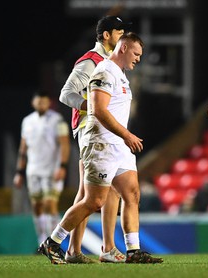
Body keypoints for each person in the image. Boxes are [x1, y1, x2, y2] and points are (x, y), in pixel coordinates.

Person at [39, 32, 163, 265]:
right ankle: (53, 242)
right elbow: (98, 109)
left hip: (119, 146)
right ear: (123, 48)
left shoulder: (121, 75)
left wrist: (124, 138)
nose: (138, 59)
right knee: (94, 201)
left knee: (132, 194)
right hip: (102, 143)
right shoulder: (105, 71)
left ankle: (133, 251)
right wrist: (127, 134)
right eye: (136, 54)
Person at [58, 15, 130, 264]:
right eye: (120, 33)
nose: (124, 38)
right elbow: (66, 94)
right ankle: (71, 247)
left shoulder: (112, 63)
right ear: (107, 35)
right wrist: (90, 106)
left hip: (105, 130)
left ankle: (84, 250)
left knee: (101, 191)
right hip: (91, 129)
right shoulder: (91, 61)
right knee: (96, 193)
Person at [14, 90, 70, 246]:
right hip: (33, 170)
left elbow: (65, 144)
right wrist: (19, 172)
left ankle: (53, 243)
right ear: (34, 103)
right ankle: (41, 240)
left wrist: (63, 166)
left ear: (48, 103)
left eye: (44, 102)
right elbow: (23, 148)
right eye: (39, 102)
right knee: (37, 206)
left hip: (52, 170)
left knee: (50, 204)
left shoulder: (57, 120)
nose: (41, 104)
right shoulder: (27, 121)